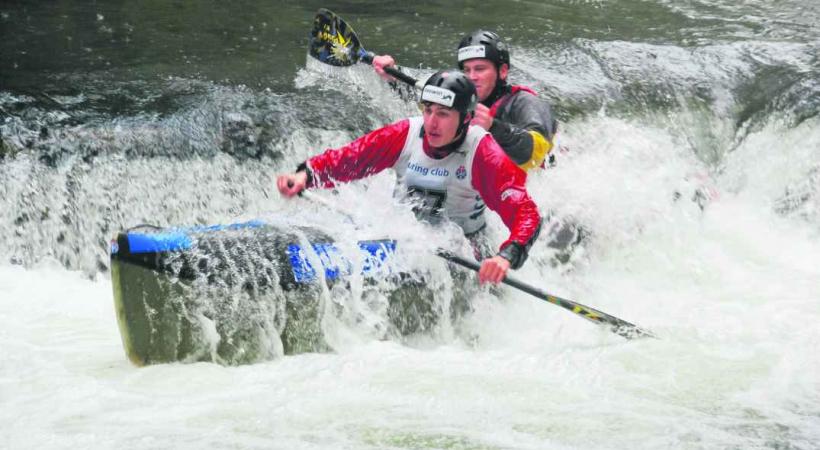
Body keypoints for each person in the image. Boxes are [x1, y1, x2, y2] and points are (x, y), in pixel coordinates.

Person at [277, 69, 542, 285]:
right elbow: (350, 159)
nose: (431, 123)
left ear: (465, 119)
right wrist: (306, 175)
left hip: (465, 254)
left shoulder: (484, 152)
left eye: (443, 114)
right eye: (428, 110)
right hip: (406, 239)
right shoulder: (406, 133)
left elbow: (526, 213)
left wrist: (505, 257)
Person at [372, 30, 558, 172]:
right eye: (466, 70)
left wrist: (493, 126)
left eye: (480, 69)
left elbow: (538, 153)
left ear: (502, 71)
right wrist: (393, 77)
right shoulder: (459, 97)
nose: (472, 77)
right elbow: (426, 104)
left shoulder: (527, 103)